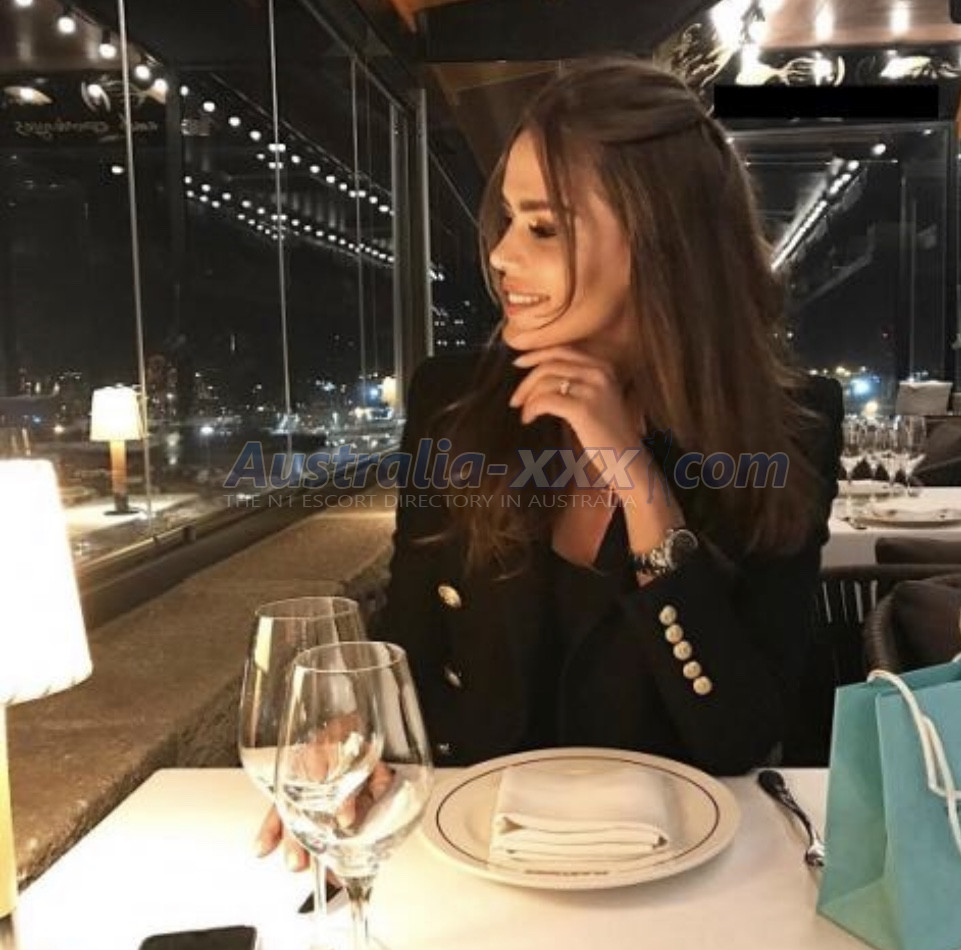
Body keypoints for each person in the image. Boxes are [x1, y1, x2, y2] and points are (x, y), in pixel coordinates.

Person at [256, 56, 842, 866]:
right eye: (506, 220)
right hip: (473, 858)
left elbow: (742, 734)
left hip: (689, 873)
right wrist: (354, 746)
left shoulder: (788, 428)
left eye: (542, 227)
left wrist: (637, 480)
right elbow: (411, 645)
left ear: (660, 242)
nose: (500, 254)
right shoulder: (454, 400)